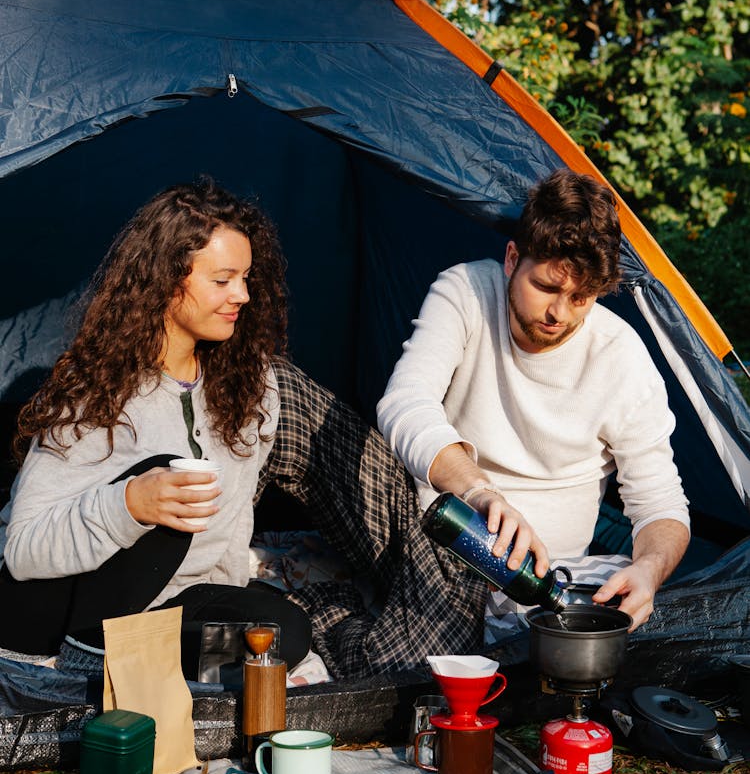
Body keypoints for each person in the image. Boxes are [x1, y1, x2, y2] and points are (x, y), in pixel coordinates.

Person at [0, 179, 486, 680]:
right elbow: (22, 552)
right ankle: (96, 658)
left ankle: (154, 663)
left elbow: (231, 539)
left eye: (247, 277)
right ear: (167, 281)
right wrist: (128, 504)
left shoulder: (249, 387)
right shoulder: (96, 394)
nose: (244, 295)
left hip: (180, 612)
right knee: (160, 476)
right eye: (223, 280)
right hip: (80, 609)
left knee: (283, 631)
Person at [377, 169, 691, 630]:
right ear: (511, 258)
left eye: (581, 297)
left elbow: (661, 503)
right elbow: (405, 401)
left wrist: (649, 569)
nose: (558, 313)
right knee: (289, 395)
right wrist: (479, 491)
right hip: (434, 538)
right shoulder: (466, 292)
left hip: (542, 580)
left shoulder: (621, 358)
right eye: (546, 287)